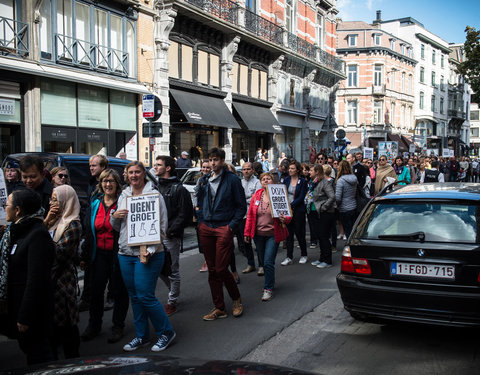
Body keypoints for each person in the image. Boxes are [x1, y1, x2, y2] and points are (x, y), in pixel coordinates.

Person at [111, 161, 175, 352]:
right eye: (130, 172)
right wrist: (115, 216)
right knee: (135, 296)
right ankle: (142, 336)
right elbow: (116, 227)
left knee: (145, 295)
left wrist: (152, 249)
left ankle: (166, 332)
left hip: (148, 253)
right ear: (126, 175)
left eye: (137, 172)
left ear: (143, 174)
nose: (134, 175)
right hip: (125, 253)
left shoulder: (155, 196)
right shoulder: (124, 195)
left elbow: (162, 227)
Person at [0, 189, 55, 365]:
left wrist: (25, 317)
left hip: (32, 314)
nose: (4, 208)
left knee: (39, 356)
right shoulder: (15, 231)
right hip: (16, 307)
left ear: (18, 210)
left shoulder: (37, 234)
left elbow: (36, 281)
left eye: (6, 205)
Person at [196, 147, 246, 321]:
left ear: (222, 161)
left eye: (216, 159)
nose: (213, 163)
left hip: (223, 227)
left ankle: (236, 298)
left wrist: (230, 227)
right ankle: (219, 308)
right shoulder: (204, 180)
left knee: (221, 268)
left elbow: (241, 207)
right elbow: (200, 203)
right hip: (206, 227)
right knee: (212, 270)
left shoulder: (232, 180)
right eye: (210, 159)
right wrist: (200, 219)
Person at [80, 169, 129, 344]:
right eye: (104, 181)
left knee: (119, 291)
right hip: (98, 254)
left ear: (117, 184)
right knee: (96, 291)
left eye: (111, 181)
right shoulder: (95, 203)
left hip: (118, 254)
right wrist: (84, 256)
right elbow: (88, 231)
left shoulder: (124, 203)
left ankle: (118, 326)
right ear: (100, 184)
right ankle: (94, 325)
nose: (108, 184)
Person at [44, 184, 82, 359]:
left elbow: (58, 253)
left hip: (62, 281)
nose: (53, 203)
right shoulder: (54, 221)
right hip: (49, 280)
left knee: (66, 324)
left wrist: (42, 238)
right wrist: (46, 222)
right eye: (51, 199)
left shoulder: (72, 224)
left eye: (55, 199)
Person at [155, 155, 193, 316]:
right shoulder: (155, 187)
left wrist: (170, 231)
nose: (155, 167)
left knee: (172, 269)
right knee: (159, 268)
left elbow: (185, 214)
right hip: (155, 236)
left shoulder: (179, 189)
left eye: (158, 165)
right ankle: (173, 291)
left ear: (168, 168)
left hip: (170, 236)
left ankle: (172, 301)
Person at [244, 172, 290, 301]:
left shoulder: (278, 194)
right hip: (258, 235)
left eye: (268, 179)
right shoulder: (256, 196)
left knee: (268, 261)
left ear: (272, 181)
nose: (266, 180)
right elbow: (250, 216)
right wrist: (247, 233)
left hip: (272, 235)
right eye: (263, 179)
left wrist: (284, 219)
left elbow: (288, 215)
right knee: (263, 262)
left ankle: (268, 289)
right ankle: (271, 280)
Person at [81, 154, 109, 313]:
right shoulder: (91, 184)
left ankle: (109, 297)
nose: (91, 168)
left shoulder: (105, 186)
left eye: (94, 165)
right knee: (89, 269)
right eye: (90, 165)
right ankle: (87, 299)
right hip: (90, 233)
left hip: (104, 237)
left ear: (103, 167)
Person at [281, 161, 308, 266]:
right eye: (289, 168)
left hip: (298, 210)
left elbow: (301, 197)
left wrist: (291, 205)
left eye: (292, 168)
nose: (290, 170)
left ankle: (304, 254)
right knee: (289, 234)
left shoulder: (303, 181)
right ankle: (289, 256)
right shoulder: (286, 180)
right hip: (287, 210)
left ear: (297, 170)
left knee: (300, 233)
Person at [311, 164, 336, 268]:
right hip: (319, 212)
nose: (309, 172)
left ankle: (327, 260)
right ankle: (322, 258)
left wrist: (323, 207)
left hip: (326, 213)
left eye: (312, 170)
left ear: (317, 172)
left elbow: (332, 196)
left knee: (324, 236)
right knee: (320, 236)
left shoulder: (325, 182)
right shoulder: (316, 182)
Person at [239, 162, 261, 274]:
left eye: (248, 169)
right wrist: (248, 198)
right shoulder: (240, 182)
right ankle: (251, 264)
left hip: (254, 215)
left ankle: (261, 265)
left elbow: (256, 199)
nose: (246, 171)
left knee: (257, 241)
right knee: (246, 241)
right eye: (244, 169)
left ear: (252, 170)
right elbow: (238, 198)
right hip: (243, 216)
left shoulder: (257, 182)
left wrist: (245, 199)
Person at [194, 159, 211, 273]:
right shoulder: (200, 180)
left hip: (211, 213)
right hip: (201, 212)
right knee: (202, 237)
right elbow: (196, 194)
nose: (205, 169)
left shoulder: (213, 180)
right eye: (203, 167)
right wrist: (196, 207)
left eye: (207, 167)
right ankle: (207, 259)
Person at [335, 160, 357, 239]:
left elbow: (338, 198)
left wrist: (336, 206)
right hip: (353, 205)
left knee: (347, 230)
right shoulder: (354, 178)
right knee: (353, 230)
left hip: (344, 208)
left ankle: (350, 248)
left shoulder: (341, 181)